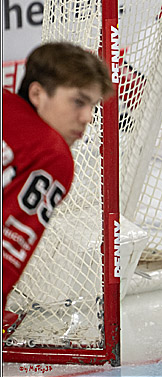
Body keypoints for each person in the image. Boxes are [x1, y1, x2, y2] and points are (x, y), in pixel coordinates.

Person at [2, 42, 115, 334]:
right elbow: (9, 246)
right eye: (78, 101)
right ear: (38, 93)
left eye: (93, 105)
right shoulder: (52, 155)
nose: (89, 117)